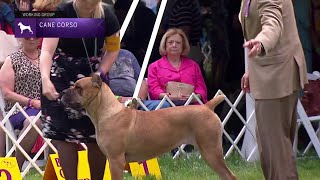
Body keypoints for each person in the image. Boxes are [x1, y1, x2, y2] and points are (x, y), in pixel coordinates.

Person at [39, 0, 120, 179]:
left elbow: (113, 50)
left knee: (96, 133)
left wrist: (101, 72)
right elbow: (46, 51)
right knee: (64, 135)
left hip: (93, 79)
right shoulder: (61, 12)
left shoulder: (107, 14)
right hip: (61, 75)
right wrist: (45, 79)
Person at [239, 0, 308, 179]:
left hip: (277, 76)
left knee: (275, 153)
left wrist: (261, 43)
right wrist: (251, 70)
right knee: (274, 150)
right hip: (271, 72)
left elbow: (272, 24)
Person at [0, 37, 42, 169]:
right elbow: (7, 93)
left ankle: (57, 165)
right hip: (19, 108)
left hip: (47, 108)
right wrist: (31, 102)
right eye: (27, 36)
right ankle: (15, 168)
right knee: (33, 122)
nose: (31, 39)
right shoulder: (11, 60)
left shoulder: (47, 57)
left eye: (35, 36)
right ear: (20, 39)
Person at [148, 28, 208, 105]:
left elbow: (201, 88)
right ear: (165, 45)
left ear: (183, 46)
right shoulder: (154, 66)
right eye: (170, 42)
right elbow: (153, 89)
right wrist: (168, 97)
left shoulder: (193, 65)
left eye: (178, 43)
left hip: (192, 107)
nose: (174, 45)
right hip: (165, 107)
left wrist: (194, 97)